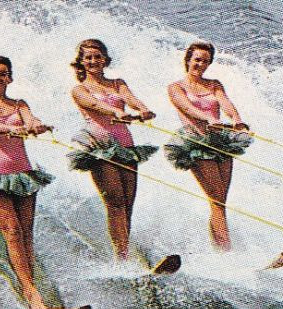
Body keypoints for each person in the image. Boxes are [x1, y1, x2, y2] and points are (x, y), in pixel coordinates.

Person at [0, 55, 82, 309]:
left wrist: (37, 126)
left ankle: (34, 286)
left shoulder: (19, 104)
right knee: (12, 233)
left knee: (26, 234)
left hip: (24, 175)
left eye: (3, 74)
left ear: (9, 78)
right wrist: (14, 131)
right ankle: (31, 294)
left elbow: (31, 119)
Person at [67, 39, 159, 260]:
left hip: (126, 148)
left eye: (97, 57)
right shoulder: (79, 89)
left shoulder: (118, 83)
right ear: (81, 62)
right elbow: (95, 105)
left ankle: (126, 251)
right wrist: (115, 112)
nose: (93, 61)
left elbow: (131, 99)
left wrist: (144, 109)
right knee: (115, 202)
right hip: (101, 149)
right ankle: (122, 257)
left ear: (105, 59)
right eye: (88, 57)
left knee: (127, 203)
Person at [166, 42, 252, 250]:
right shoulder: (175, 87)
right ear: (188, 60)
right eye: (197, 59)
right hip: (196, 143)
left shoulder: (214, 84)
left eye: (205, 61)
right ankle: (226, 250)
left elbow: (226, 104)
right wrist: (207, 118)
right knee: (216, 197)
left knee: (220, 199)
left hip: (221, 142)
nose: (201, 64)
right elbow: (186, 107)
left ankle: (219, 248)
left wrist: (237, 119)